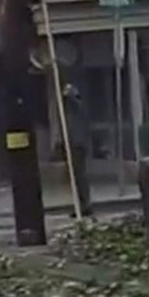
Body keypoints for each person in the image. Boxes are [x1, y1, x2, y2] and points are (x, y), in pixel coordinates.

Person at [62, 84, 92, 216]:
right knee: (76, 176)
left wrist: (68, 93)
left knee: (80, 176)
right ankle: (81, 204)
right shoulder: (71, 112)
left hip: (78, 145)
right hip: (74, 144)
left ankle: (85, 205)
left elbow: (74, 102)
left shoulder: (79, 107)